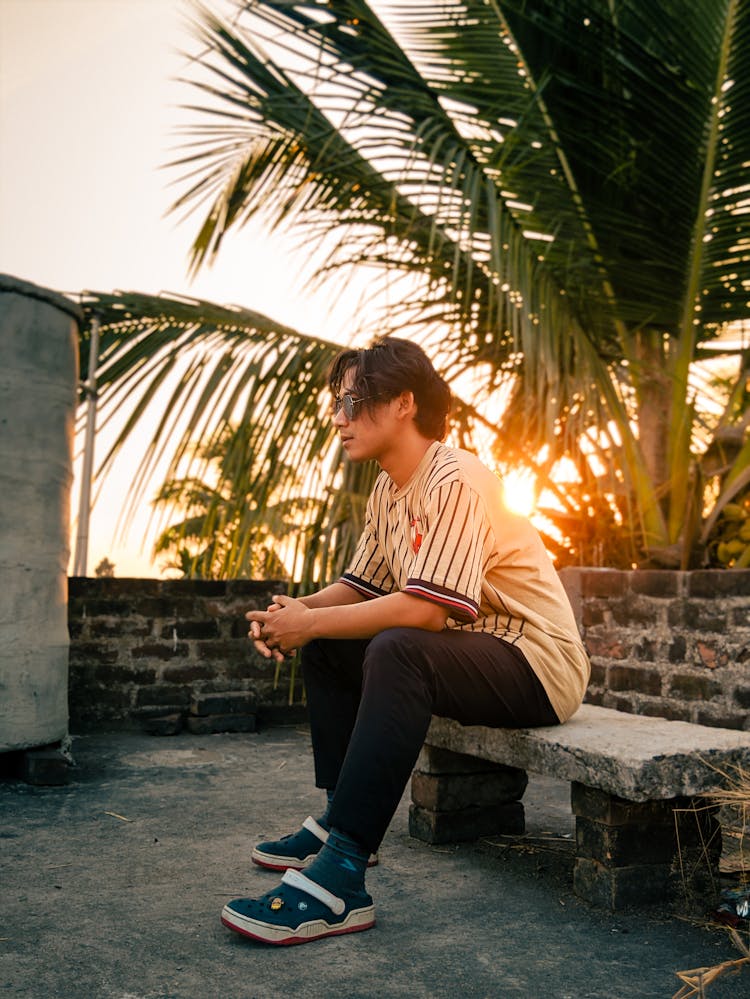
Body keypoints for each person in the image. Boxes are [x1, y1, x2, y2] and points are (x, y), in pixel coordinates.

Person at [220, 336, 590, 945]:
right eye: (337, 403)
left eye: (354, 401)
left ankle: (341, 879)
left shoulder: (456, 477)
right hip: (473, 654)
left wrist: (309, 622)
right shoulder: (389, 490)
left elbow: (423, 610)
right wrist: (296, 613)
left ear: (402, 404)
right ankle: (342, 820)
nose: (338, 418)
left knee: (395, 647)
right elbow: (361, 587)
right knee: (337, 642)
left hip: (537, 662)